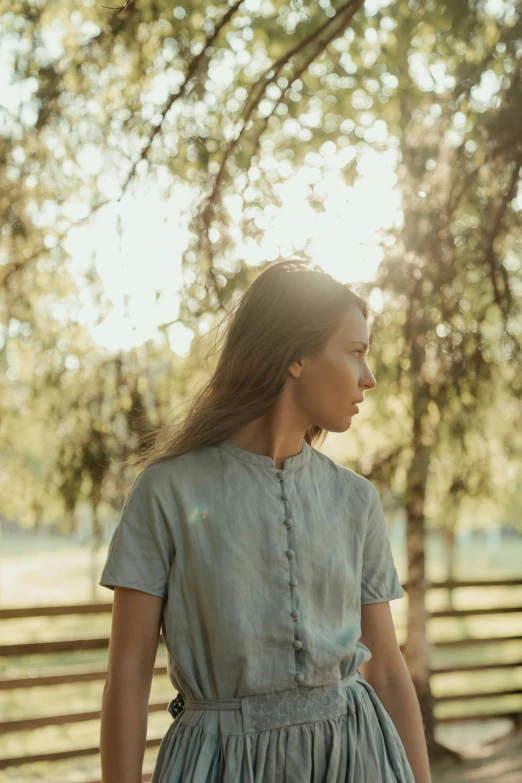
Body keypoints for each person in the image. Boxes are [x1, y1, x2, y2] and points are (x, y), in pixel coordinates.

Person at [99, 258, 432, 782]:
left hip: (356, 760)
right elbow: (128, 673)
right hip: (220, 766)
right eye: (355, 352)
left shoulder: (355, 500)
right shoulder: (167, 492)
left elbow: (387, 671)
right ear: (295, 355)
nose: (369, 378)